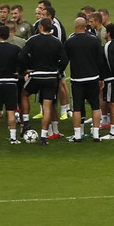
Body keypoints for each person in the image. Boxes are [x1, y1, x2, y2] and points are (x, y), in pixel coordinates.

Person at [21, 17, 68, 145]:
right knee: (47, 106)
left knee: (24, 94)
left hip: (37, 75)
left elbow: (22, 55)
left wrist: (28, 68)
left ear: (41, 27)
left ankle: (26, 122)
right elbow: (64, 60)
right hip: (51, 77)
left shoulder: (33, 40)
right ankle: (43, 137)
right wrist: (58, 70)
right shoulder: (57, 42)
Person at [64, 16, 105, 142]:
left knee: (77, 107)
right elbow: (101, 60)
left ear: (76, 27)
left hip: (77, 80)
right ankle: (96, 134)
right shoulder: (94, 40)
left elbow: (65, 60)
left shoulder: (70, 42)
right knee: (95, 106)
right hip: (93, 78)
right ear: (85, 26)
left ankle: (77, 135)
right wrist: (101, 78)